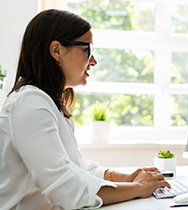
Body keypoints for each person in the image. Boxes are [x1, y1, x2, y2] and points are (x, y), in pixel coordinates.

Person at [0, 9, 170, 210]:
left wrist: (128, 177)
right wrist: (138, 187)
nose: (94, 60)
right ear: (56, 51)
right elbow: (65, 188)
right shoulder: (29, 103)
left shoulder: (47, 102)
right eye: (87, 49)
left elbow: (76, 167)